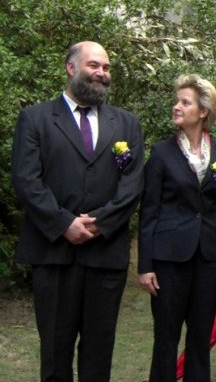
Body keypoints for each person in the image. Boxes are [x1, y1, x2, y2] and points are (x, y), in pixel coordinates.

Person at [11, 41, 144, 382]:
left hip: (105, 256)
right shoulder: (36, 119)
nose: (102, 73)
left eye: (107, 68)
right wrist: (63, 222)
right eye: (94, 66)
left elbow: (132, 183)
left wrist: (101, 224)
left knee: (99, 352)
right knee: (55, 352)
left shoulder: (126, 124)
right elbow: (26, 179)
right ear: (71, 68)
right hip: (54, 254)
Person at [137, 74, 216, 382]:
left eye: (185, 102)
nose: (176, 107)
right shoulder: (160, 153)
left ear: (203, 111)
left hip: (209, 258)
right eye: (176, 101)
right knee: (166, 338)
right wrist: (145, 265)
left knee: (200, 338)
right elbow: (149, 211)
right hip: (169, 260)